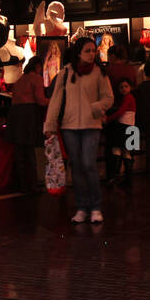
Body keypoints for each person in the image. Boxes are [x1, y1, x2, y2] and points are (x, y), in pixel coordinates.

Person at [44, 37, 113, 223]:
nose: (92, 54)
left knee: (88, 164)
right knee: (77, 167)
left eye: (93, 51)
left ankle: (96, 207)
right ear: (78, 52)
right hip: (70, 126)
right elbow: (56, 99)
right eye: (88, 51)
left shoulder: (100, 73)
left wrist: (96, 108)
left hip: (92, 125)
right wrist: (49, 125)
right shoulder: (66, 73)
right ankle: (82, 207)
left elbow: (108, 98)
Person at [9, 54, 49, 193]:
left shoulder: (20, 79)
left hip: (15, 115)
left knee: (19, 151)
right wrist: (54, 100)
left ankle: (20, 184)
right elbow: (41, 100)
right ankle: (32, 185)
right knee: (30, 151)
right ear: (38, 66)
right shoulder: (37, 79)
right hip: (29, 115)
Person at [103, 77, 137, 187]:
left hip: (123, 127)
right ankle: (128, 179)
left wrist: (108, 119)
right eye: (121, 87)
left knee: (116, 150)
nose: (124, 89)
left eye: (126, 86)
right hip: (132, 128)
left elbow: (121, 111)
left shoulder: (127, 98)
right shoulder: (131, 97)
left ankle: (114, 177)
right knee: (128, 153)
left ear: (130, 87)